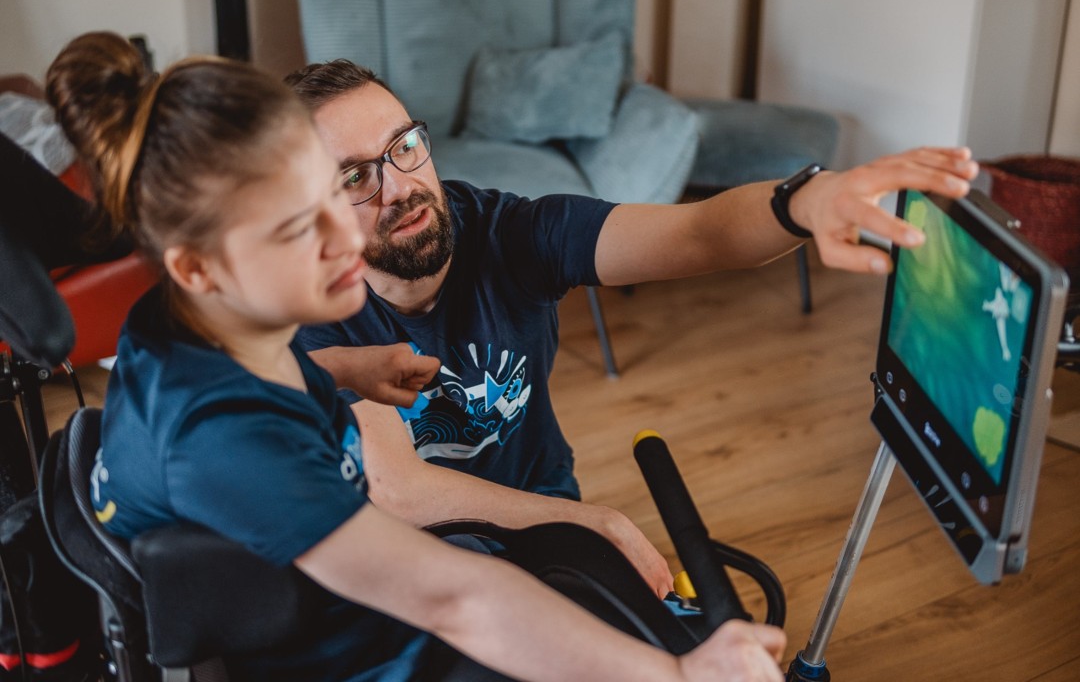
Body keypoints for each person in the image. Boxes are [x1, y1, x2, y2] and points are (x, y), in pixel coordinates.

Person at [47, 31, 789, 682]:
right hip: (344, 649)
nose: (347, 239)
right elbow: (455, 600)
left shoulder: (180, 323)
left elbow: (238, 394)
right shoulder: (228, 446)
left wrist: (339, 373)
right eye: (299, 227)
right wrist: (674, 671)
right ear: (199, 268)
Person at [283, 60, 979, 568]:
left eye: (405, 147)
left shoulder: (514, 235)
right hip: (409, 549)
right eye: (354, 176)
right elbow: (399, 489)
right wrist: (598, 523)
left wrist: (803, 203)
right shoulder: (307, 299)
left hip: (539, 504)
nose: (399, 187)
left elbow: (699, 233)